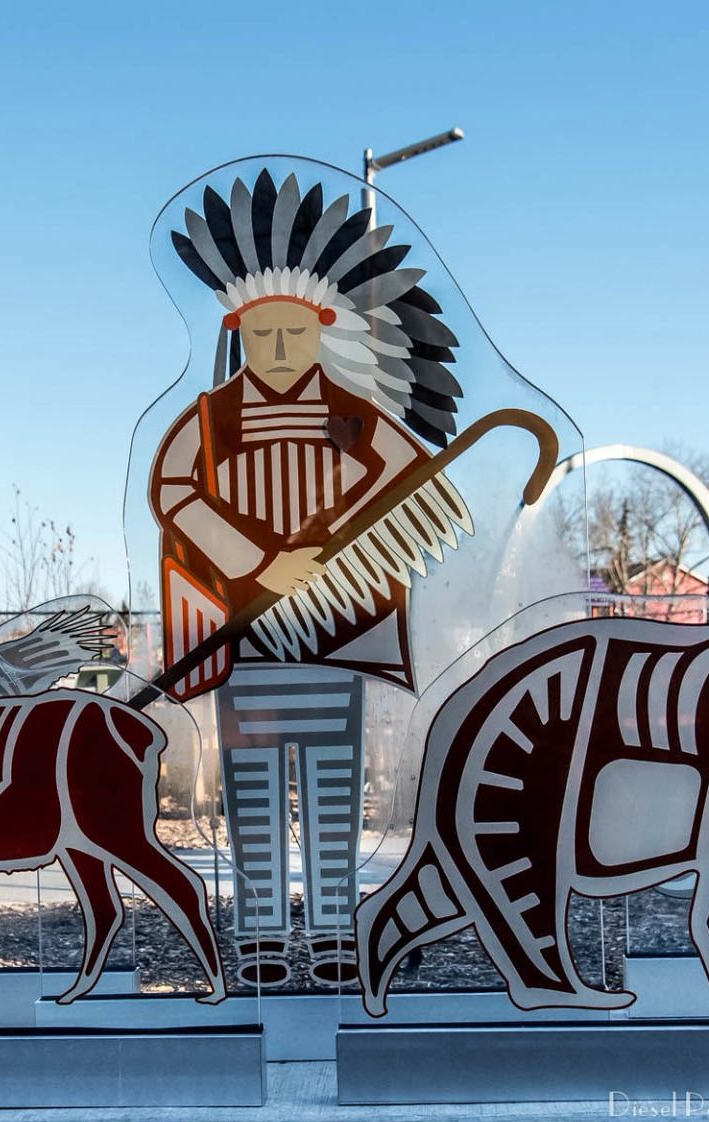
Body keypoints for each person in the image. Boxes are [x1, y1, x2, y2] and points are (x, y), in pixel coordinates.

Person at [148, 168, 471, 987]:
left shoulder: (357, 417)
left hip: (336, 638)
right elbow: (174, 493)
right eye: (264, 335)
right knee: (253, 793)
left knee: (331, 791)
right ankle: (260, 932)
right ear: (241, 333)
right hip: (250, 635)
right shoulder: (211, 421)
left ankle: (331, 928)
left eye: (295, 333)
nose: (281, 350)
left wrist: (346, 546)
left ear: (321, 329)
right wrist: (259, 560)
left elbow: (420, 485)